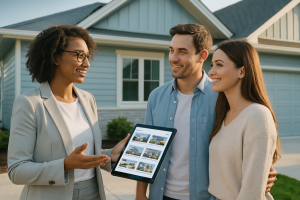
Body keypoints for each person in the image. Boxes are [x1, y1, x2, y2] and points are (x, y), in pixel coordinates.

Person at [136, 23, 277, 200]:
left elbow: (243, 145)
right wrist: (140, 194)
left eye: (182, 51)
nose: (173, 58)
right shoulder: (156, 97)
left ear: (201, 55)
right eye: (171, 50)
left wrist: (261, 172)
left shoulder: (222, 96)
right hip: (161, 194)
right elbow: (146, 150)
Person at [7, 25, 128, 200]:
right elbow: (16, 170)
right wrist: (64, 165)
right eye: (79, 55)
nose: (86, 64)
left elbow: (83, 155)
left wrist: (110, 155)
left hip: (93, 193)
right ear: (55, 57)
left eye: (87, 57)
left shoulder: (88, 99)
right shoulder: (29, 104)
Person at [208, 40, 280, 200]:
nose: (211, 71)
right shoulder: (224, 114)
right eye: (212, 65)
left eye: (219, 65)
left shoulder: (257, 116)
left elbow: (251, 194)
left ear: (242, 71)